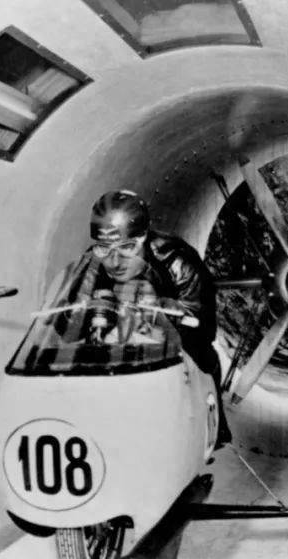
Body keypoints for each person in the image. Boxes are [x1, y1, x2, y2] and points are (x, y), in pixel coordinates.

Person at [86, 189, 232, 447]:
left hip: (174, 342)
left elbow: (203, 327)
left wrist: (161, 312)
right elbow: (64, 318)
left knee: (204, 357)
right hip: (120, 341)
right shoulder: (94, 260)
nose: (114, 261)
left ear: (143, 237)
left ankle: (214, 427)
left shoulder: (177, 260)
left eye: (127, 248)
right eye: (104, 248)